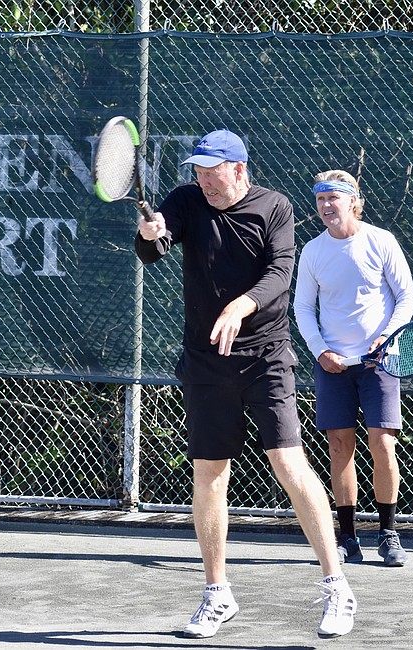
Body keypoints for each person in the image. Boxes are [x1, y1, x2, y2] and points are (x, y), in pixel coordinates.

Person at [134, 129, 357, 639]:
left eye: (213, 173)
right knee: (210, 472)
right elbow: (157, 247)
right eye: (199, 173)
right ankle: (216, 595)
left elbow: (280, 273)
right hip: (206, 360)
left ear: (239, 169)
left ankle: (337, 586)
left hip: (266, 357)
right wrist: (149, 237)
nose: (204, 182)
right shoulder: (188, 199)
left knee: (288, 462)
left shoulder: (274, 208)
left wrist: (241, 304)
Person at [293, 169, 413, 568]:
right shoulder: (312, 251)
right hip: (333, 365)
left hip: (380, 362)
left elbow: (405, 298)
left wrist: (388, 337)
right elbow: (302, 308)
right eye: (320, 200)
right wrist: (320, 350)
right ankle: (347, 538)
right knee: (339, 447)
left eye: (334, 198)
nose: (326, 206)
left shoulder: (381, 241)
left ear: (352, 201)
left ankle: (388, 533)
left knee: (383, 444)